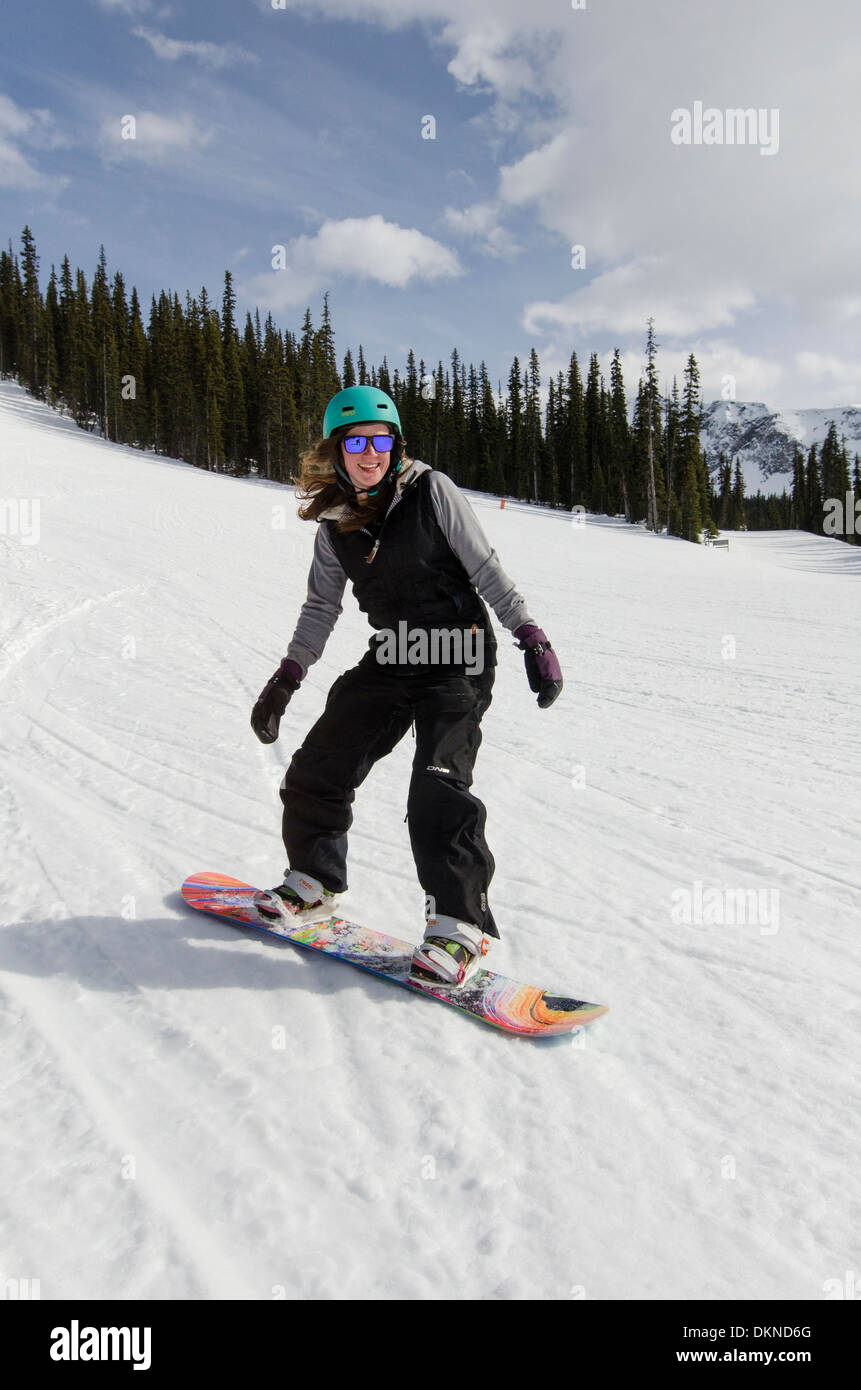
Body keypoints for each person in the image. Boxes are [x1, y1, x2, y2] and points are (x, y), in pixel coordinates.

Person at [250, 385, 562, 989]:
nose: (371, 453)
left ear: (395, 443)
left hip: (460, 654)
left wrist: (531, 635)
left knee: (438, 786)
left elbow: (483, 565)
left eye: (382, 439)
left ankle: (458, 927)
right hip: (394, 653)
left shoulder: (430, 490)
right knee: (319, 764)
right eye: (357, 441)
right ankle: (312, 885)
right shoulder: (335, 523)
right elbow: (321, 607)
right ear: (337, 450)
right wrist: (288, 675)